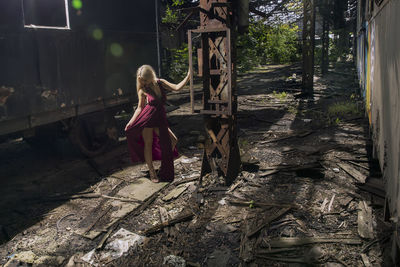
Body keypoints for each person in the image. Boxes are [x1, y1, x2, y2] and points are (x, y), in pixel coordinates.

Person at [125, 65, 190, 183]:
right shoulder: (142, 90)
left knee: (173, 140)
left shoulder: (160, 83)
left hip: (160, 118)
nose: (143, 83)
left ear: (150, 77)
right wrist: (130, 122)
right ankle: (152, 171)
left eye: (145, 80)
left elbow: (176, 88)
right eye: (141, 80)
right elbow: (139, 108)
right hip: (148, 118)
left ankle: (163, 165)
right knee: (148, 144)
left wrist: (188, 76)